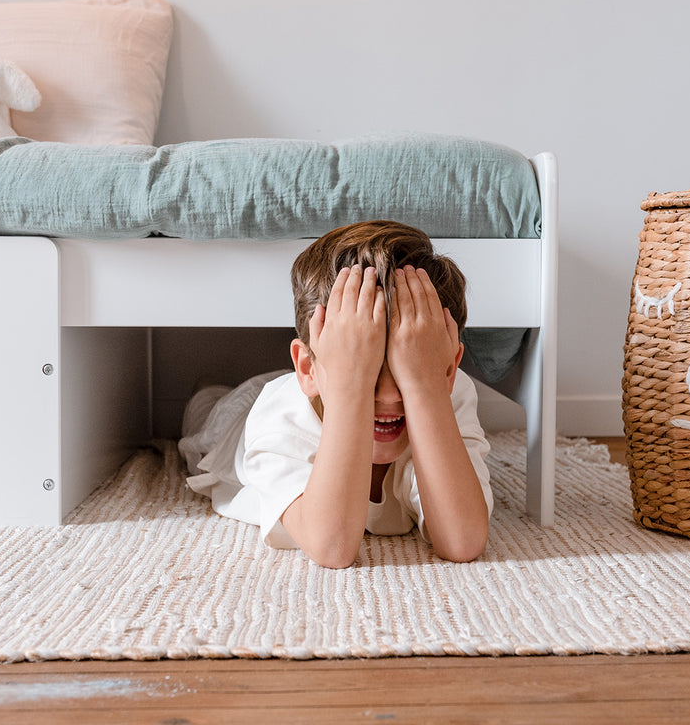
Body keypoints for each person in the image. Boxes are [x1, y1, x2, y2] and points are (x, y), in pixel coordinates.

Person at [178, 221, 492, 568]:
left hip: (321, 386)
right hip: (233, 423)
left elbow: (462, 542)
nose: (389, 396)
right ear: (308, 370)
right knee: (205, 408)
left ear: (448, 370)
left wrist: (424, 387)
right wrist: (350, 388)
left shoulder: (440, 388)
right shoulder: (278, 422)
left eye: (407, 372)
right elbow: (332, 548)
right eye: (368, 373)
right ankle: (204, 387)